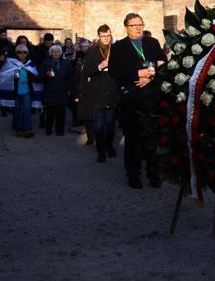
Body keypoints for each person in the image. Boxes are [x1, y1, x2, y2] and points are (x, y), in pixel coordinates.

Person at [108, 13, 166, 189]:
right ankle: (133, 175)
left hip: (151, 98)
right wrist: (137, 74)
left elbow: (162, 63)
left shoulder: (152, 42)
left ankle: (153, 174)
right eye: (134, 25)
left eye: (140, 24)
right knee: (132, 141)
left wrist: (151, 77)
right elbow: (114, 71)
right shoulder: (119, 47)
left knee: (152, 140)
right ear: (126, 27)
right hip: (131, 100)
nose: (138, 28)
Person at [82, 25, 120, 162]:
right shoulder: (92, 52)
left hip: (111, 93)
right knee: (98, 126)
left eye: (108, 36)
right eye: (103, 36)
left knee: (110, 125)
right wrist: (100, 66)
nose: (106, 39)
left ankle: (109, 146)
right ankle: (101, 151)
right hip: (96, 95)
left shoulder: (116, 50)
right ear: (99, 36)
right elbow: (86, 72)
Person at [39, 45, 73, 136]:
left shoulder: (66, 63)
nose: (56, 53)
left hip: (62, 90)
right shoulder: (46, 63)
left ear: (60, 53)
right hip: (50, 90)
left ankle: (60, 130)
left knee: (61, 112)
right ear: (51, 53)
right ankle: (48, 129)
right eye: (54, 52)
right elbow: (40, 77)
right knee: (50, 112)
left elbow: (70, 77)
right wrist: (46, 75)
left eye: (57, 52)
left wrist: (69, 88)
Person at [8, 45, 37, 137]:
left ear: (27, 53)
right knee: (16, 110)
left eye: (24, 52)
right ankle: (18, 128)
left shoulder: (30, 64)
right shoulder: (12, 64)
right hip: (16, 91)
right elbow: (6, 77)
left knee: (27, 110)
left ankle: (27, 129)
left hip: (27, 91)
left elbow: (36, 76)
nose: (22, 54)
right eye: (19, 52)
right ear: (16, 53)